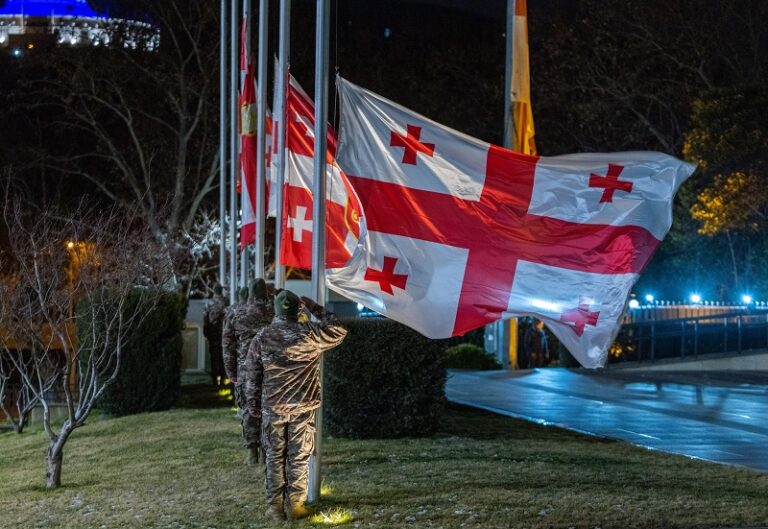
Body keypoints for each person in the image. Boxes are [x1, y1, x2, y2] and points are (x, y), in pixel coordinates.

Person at [245, 290, 347, 521]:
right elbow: (339, 329)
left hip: (273, 407)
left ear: (276, 309)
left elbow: (251, 375)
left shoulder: (262, 337)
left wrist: (252, 405)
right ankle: (296, 505)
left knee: (274, 456)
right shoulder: (309, 334)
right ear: (297, 310)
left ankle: (275, 508)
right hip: (303, 406)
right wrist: (315, 308)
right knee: (299, 456)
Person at [224, 281, 273, 464]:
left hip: (246, 369)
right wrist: (278, 292)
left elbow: (227, 345)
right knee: (269, 408)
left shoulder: (236, 313)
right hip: (269, 368)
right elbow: (297, 308)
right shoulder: (273, 312)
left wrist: (231, 372)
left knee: (248, 409)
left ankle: (252, 451)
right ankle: (268, 449)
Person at [202, 284, 228, 387]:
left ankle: (214, 380)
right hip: (224, 332)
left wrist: (206, 333)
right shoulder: (227, 301)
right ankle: (222, 378)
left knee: (214, 357)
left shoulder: (209, 303)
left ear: (214, 292)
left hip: (213, 333)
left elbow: (205, 319)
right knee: (223, 356)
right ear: (221, 291)